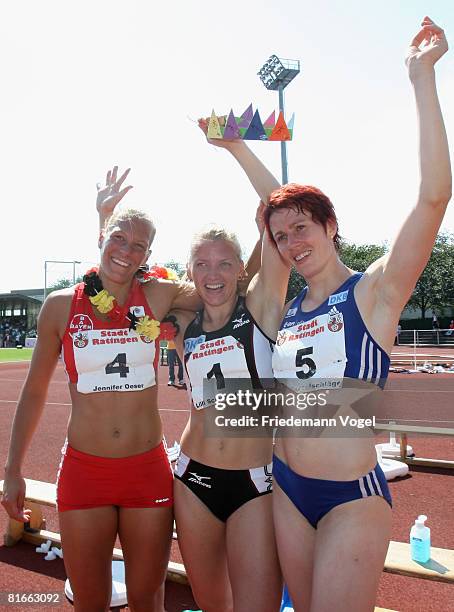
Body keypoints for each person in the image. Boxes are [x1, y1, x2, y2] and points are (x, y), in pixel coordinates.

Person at [262, 17, 451, 611]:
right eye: (281, 237)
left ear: (331, 227)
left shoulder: (374, 293)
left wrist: (421, 78)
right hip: (287, 488)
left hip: (350, 493)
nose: (293, 243)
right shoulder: (290, 310)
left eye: (302, 228)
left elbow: (433, 197)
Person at [1, 168, 202, 612]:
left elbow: (217, 290)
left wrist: (178, 324)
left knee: (148, 599)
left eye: (138, 246)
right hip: (85, 473)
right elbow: (34, 392)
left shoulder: (159, 294)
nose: (126, 251)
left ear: (149, 255)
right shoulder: (59, 306)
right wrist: (13, 469)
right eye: (117, 238)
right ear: (100, 237)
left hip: (146, 470)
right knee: (89, 601)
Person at [167, 127, 290, 612]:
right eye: (201, 264)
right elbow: (121, 288)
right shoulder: (180, 323)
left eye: (223, 263)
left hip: (254, 481)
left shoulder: (259, 306)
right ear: (190, 272)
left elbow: (278, 207)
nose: (212, 274)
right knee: (211, 602)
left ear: (242, 268)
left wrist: (236, 148)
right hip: (192, 476)